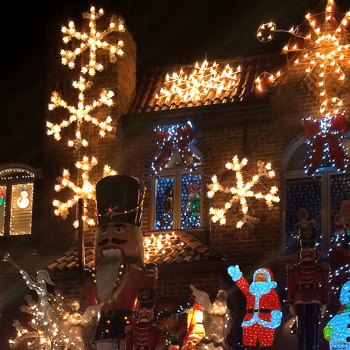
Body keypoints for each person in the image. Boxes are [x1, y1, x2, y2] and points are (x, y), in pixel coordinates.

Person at [227, 265, 281, 349]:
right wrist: (237, 276)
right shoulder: (250, 292)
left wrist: (275, 318)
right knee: (248, 343)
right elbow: (243, 285)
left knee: (266, 344)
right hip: (250, 320)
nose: (259, 280)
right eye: (258, 278)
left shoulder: (271, 293)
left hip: (266, 320)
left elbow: (276, 306)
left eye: (262, 278)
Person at [287, 247, 330, 350]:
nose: (307, 254)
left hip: (314, 299)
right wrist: (291, 303)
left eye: (310, 252)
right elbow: (291, 285)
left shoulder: (320, 268)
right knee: (301, 329)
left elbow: (325, 285)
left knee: (313, 328)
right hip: (299, 299)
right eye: (304, 252)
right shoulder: (294, 268)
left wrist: (324, 302)